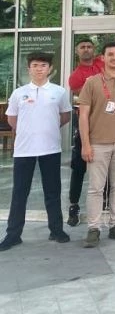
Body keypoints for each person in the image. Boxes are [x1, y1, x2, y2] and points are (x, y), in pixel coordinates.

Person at [66, 11, 115, 227]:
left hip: (113, 130)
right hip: (88, 129)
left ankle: (111, 205)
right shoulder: (76, 76)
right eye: (82, 47)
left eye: (89, 46)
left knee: (111, 172)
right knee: (79, 169)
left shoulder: (103, 62)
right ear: (77, 51)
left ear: (96, 51)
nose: (86, 49)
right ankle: (74, 206)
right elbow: (88, 101)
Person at [0, 52, 72, 252]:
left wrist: (46, 128)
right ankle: (13, 235)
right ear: (28, 69)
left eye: (43, 65)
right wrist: (29, 130)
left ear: (50, 69)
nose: (39, 69)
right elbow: (12, 119)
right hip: (24, 150)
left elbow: (65, 116)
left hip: (50, 148)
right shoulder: (19, 93)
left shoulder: (59, 92)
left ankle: (56, 230)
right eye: (35, 65)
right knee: (19, 193)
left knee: (53, 191)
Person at [78, 41, 115, 248]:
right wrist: (85, 144)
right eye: (110, 54)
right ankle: (94, 228)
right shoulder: (91, 82)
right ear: (102, 58)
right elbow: (83, 116)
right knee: (96, 188)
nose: (114, 58)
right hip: (97, 144)